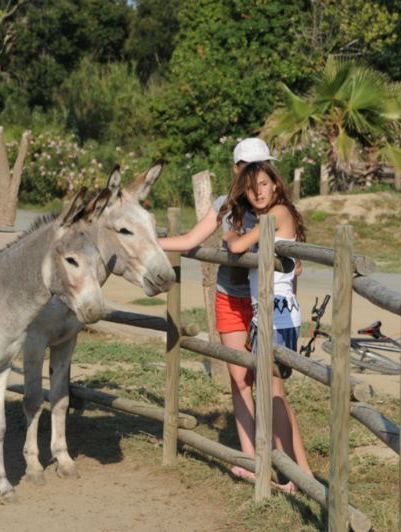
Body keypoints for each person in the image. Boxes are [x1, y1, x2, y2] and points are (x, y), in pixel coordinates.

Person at [157, 138, 273, 483]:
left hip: (263, 302)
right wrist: (148, 244)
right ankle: (251, 458)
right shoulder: (224, 205)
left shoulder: (274, 204)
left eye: (263, 166)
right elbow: (191, 240)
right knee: (239, 377)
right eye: (250, 168)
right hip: (230, 297)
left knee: (268, 378)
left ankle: (273, 453)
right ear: (237, 170)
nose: (258, 175)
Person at [221, 159, 313, 493]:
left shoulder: (278, 214)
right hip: (270, 314)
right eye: (250, 187)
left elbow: (237, 246)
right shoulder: (269, 216)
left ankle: (290, 476)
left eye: (263, 184)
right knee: (271, 394)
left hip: (277, 316)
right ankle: (291, 471)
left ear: (275, 184)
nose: (258, 191)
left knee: (272, 395)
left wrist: (231, 233)